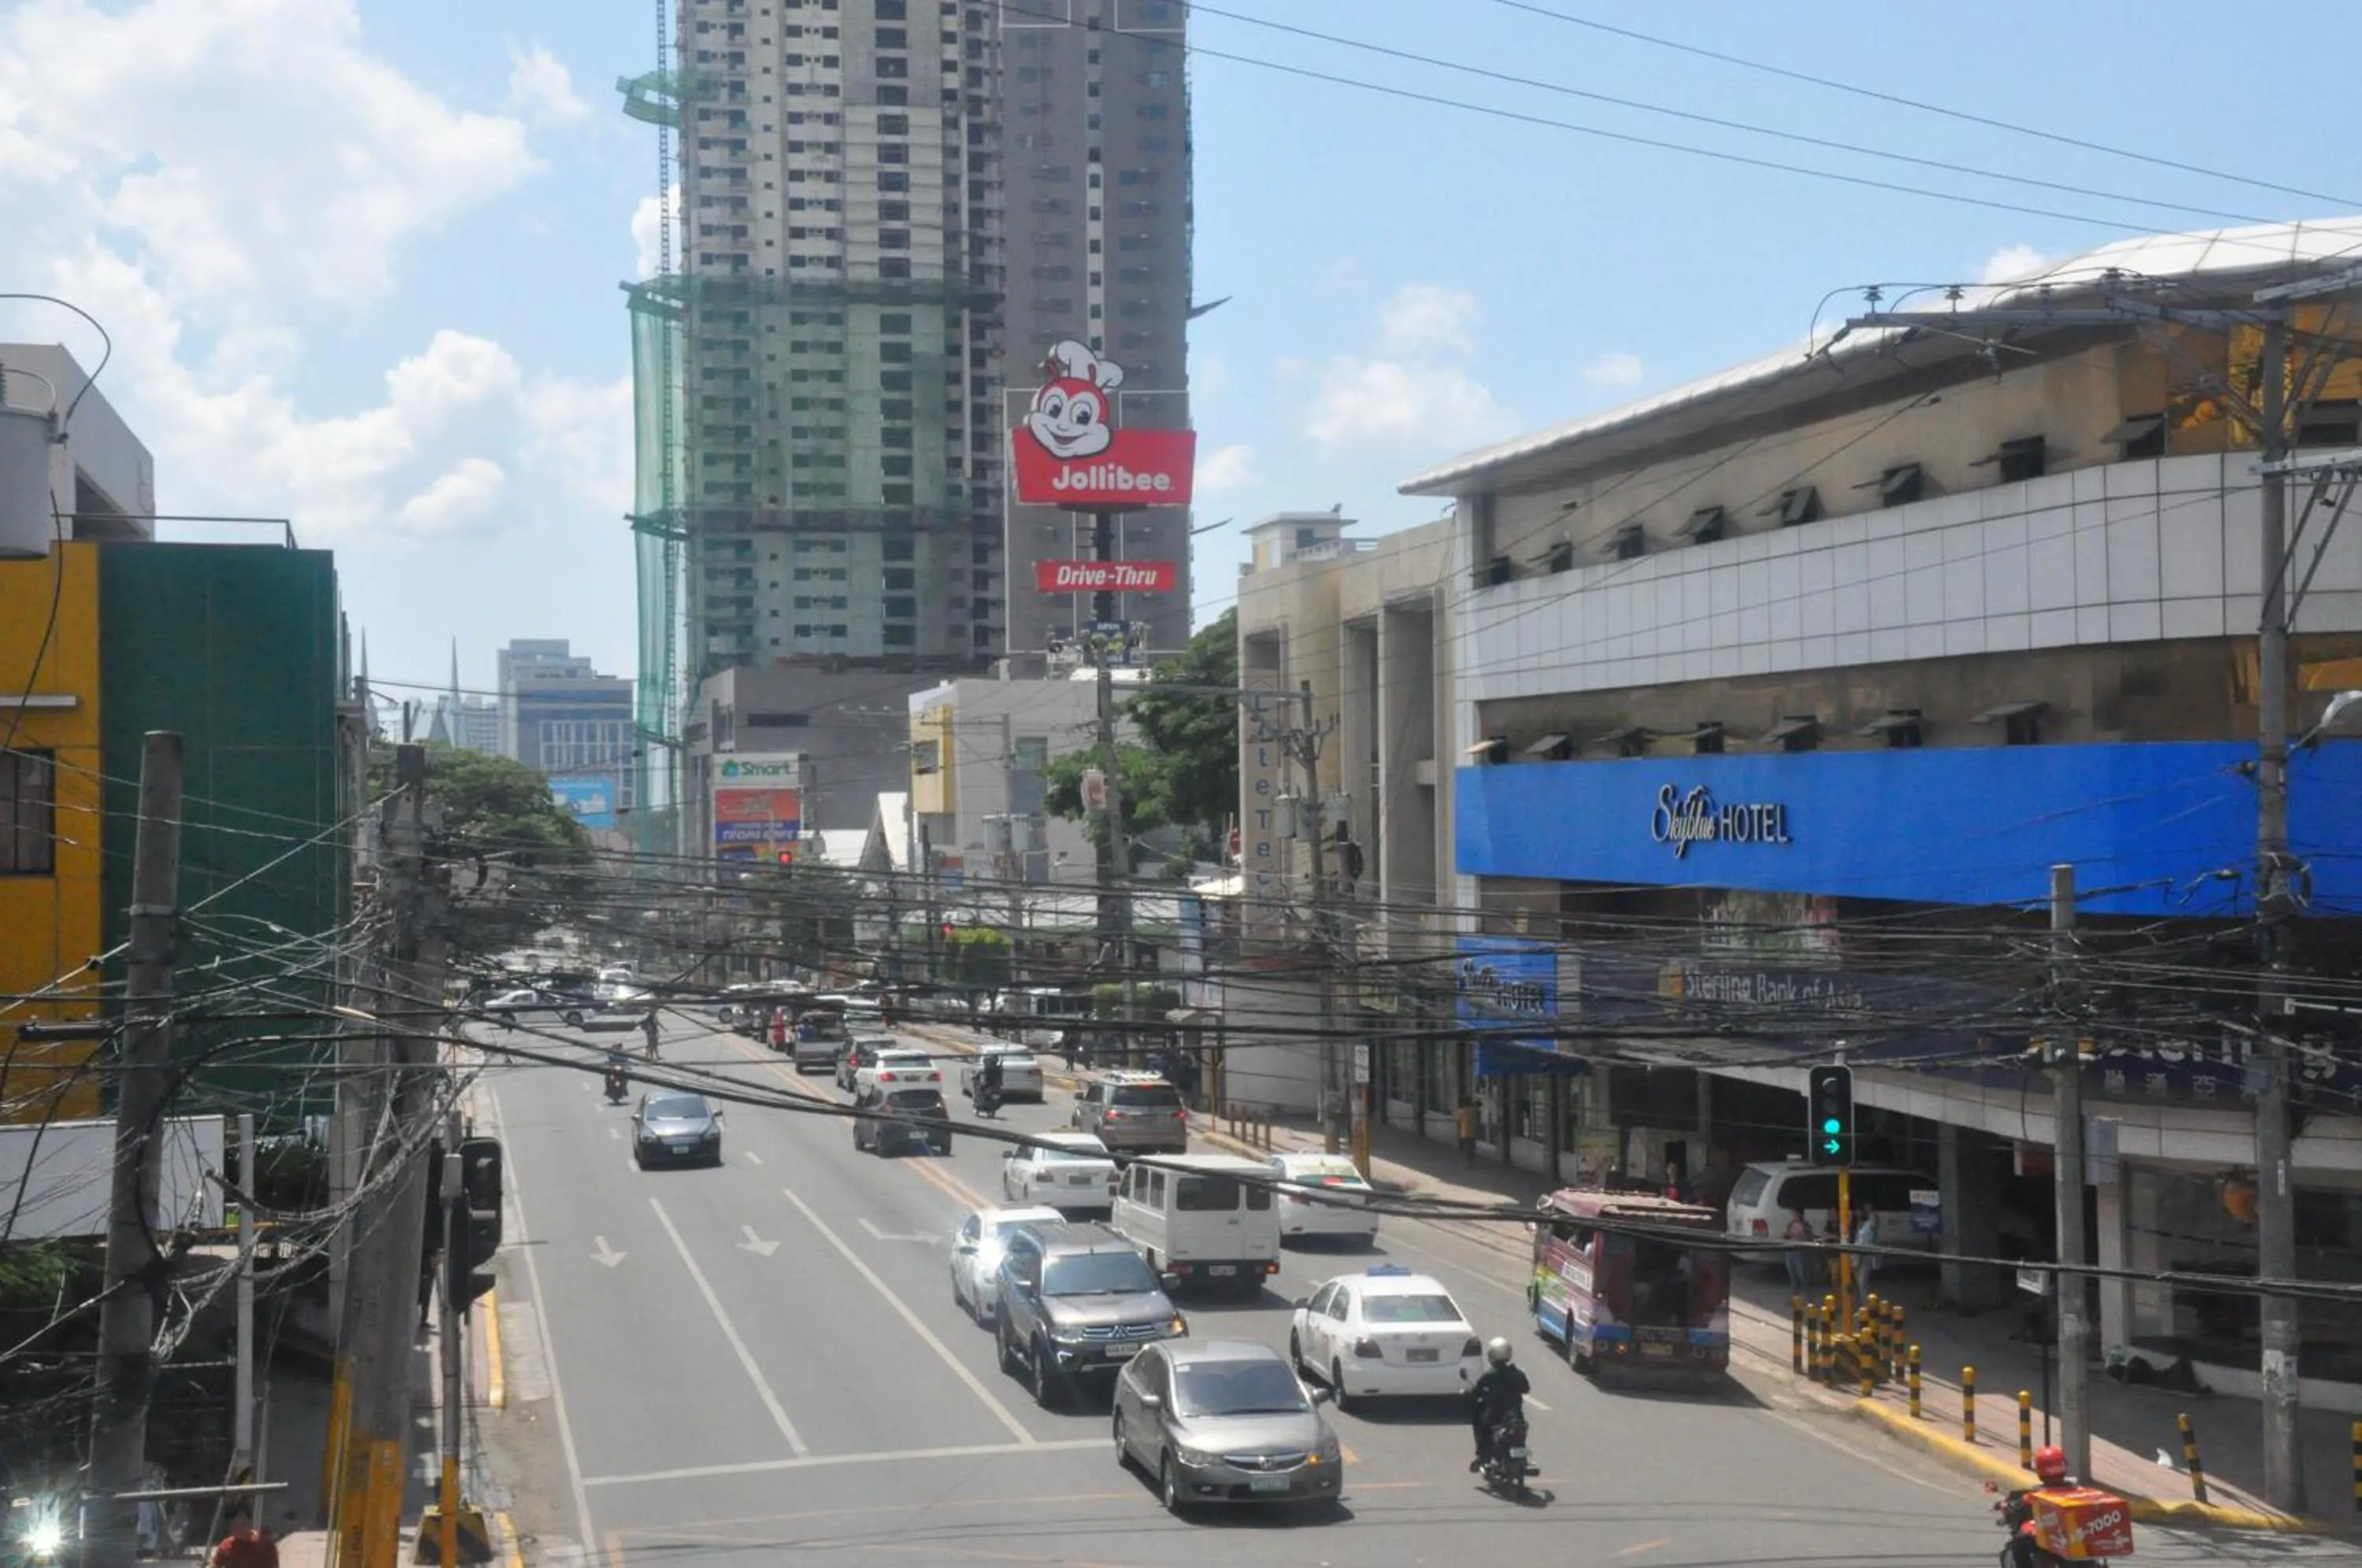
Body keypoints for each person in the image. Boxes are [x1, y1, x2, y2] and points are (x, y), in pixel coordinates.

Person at [1999, 1445, 2075, 1568]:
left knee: (2019, 1541)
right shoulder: (2076, 1489)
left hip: (2047, 1536)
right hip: (2074, 1536)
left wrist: (2007, 1506)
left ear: (2040, 1468)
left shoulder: (2036, 1494)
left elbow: (2018, 1505)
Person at [1466, 1337, 1531, 1472]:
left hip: (1496, 1413)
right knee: (1520, 1430)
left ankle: (1483, 1456)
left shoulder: (1491, 1374)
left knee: (1483, 1428)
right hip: (1515, 1413)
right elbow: (1526, 1388)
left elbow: (1477, 1391)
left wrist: (1470, 1394)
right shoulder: (1517, 1372)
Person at [206, 1510, 276, 1568]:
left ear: (249, 1522)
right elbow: (215, 1565)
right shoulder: (225, 1545)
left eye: (241, 1522)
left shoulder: (265, 1545)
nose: (238, 1527)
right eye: (233, 1525)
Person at [1783, 1207, 1816, 1296]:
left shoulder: (1805, 1225)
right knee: (1792, 1274)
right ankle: (1795, 1295)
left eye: (1795, 1214)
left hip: (1800, 1251)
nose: (1794, 1216)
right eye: (1793, 1214)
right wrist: (1786, 1234)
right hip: (1790, 1250)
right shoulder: (1790, 1224)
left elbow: (1809, 1238)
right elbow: (1785, 1235)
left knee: (1802, 1274)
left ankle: (1807, 1295)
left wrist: (1803, 1237)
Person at [1853, 1204, 1879, 1297]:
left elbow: (1875, 1221)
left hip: (1866, 1255)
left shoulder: (1870, 1224)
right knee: (1860, 1282)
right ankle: (1867, 1303)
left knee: (1863, 1282)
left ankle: (1868, 1306)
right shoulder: (1859, 1224)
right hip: (1856, 1255)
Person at [1454, 1097, 1479, 1165]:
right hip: (1472, 1130)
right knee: (1472, 1146)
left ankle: (1468, 1160)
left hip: (1464, 1131)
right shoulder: (1473, 1110)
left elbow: (1458, 1121)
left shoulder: (1460, 1111)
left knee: (1466, 1146)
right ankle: (1471, 1159)